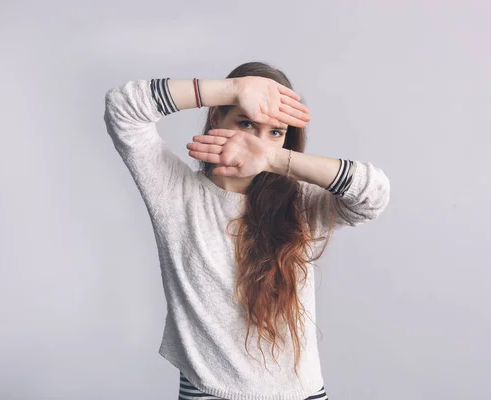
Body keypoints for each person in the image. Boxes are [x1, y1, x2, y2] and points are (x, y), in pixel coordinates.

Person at [103, 61, 391, 400]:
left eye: (275, 132)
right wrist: (233, 90)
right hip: (209, 390)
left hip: (302, 393)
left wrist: (272, 159)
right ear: (216, 119)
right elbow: (123, 107)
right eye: (245, 123)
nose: (259, 143)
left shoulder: (302, 202)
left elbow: (373, 194)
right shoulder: (175, 191)